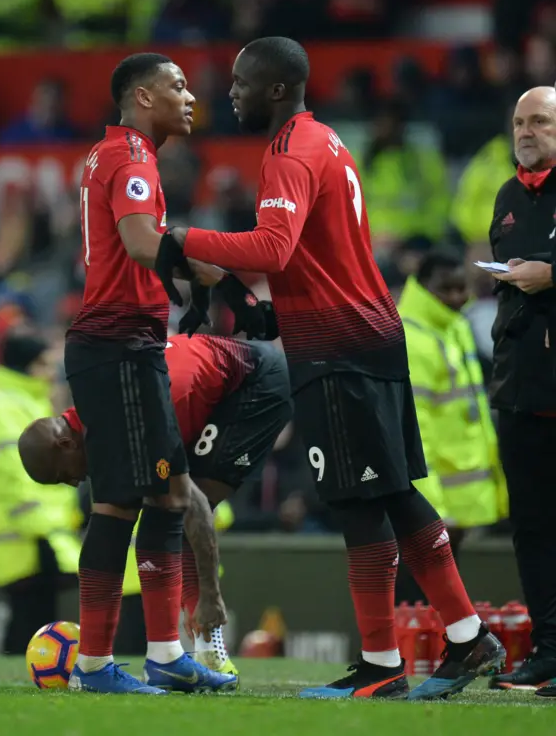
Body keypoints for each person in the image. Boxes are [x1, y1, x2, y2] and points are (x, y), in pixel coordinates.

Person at [154, 36, 504, 701]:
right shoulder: (330, 142)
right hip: (369, 333)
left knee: (359, 503)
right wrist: (274, 315)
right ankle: (467, 638)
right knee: (396, 494)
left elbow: (273, 248)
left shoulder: (288, 153)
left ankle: (383, 665)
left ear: (278, 88)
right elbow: (323, 256)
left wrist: (181, 238)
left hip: (339, 349)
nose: (232, 92)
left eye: (242, 81)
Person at [62, 52, 262, 695]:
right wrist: (206, 254)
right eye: (177, 86)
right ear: (143, 98)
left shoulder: (111, 153)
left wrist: (211, 280)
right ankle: (111, 663)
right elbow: (144, 244)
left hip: (121, 342)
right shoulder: (133, 158)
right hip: (120, 344)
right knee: (134, 500)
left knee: (153, 497)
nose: (190, 96)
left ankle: (157, 656)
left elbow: (153, 244)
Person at [19, 332, 292, 683]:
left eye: (62, 475)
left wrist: (211, 595)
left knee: (179, 506)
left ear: (66, 443)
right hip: (192, 383)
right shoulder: (96, 423)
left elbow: (193, 504)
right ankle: (166, 657)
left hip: (255, 383)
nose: (73, 483)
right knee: (160, 508)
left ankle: (211, 652)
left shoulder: (136, 422)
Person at [482, 86, 556, 693]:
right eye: (520, 122)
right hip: (521, 384)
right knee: (532, 526)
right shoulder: (508, 196)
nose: (526, 131)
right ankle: (549, 651)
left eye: (540, 121)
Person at [0, 333, 82, 654]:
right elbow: (9, 475)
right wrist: (41, 524)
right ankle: (18, 674)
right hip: (23, 529)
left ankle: (30, 673)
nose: (50, 372)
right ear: (27, 366)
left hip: (39, 527)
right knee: (27, 613)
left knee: (37, 613)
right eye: (44, 364)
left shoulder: (26, 401)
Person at [398, 248, 507, 564]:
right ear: (422, 288)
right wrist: (432, 507)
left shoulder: (454, 326)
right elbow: (415, 431)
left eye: (462, 288)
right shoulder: (413, 339)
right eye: (446, 289)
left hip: (459, 497)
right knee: (418, 598)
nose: (458, 297)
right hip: (435, 499)